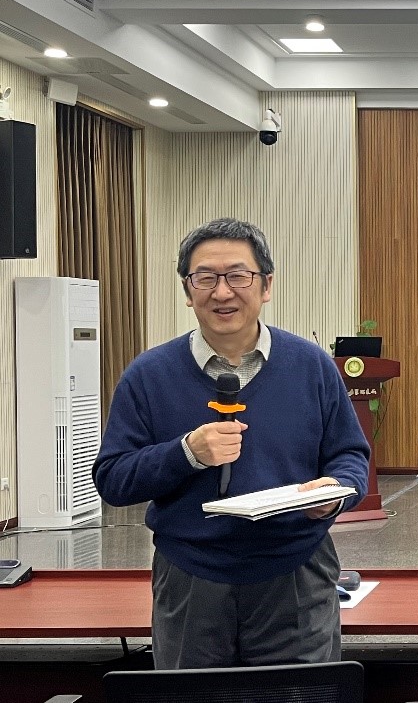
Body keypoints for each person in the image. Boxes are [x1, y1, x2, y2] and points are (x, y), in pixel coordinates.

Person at [93, 217, 369, 669]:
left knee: (297, 699)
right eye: (205, 278)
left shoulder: (311, 366)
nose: (222, 292)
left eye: (238, 276)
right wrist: (186, 453)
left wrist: (335, 493)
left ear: (266, 285)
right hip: (190, 577)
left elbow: (350, 455)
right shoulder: (148, 376)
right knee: (194, 700)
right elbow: (113, 479)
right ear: (188, 291)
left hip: (296, 572)